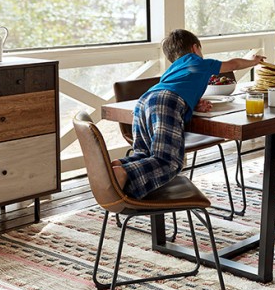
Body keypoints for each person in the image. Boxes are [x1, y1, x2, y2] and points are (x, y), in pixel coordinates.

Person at [112, 29, 265, 199]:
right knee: (168, 161)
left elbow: (173, 90)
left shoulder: (172, 70)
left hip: (143, 102)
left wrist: (192, 104)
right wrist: (253, 61)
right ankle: (123, 173)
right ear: (195, 48)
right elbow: (233, 64)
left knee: (144, 154)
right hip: (166, 102)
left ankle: (117, 166)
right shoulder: (199, 62)